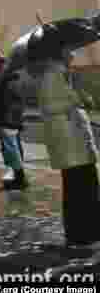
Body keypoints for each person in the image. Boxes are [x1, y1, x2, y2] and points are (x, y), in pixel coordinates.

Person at [32, 45, 100, 246]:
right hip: (70, 144)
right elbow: (49, 106)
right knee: (78, 189)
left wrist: (79, 96)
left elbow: (78, 101)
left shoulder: (63, 75)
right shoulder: (51, 76)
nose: (73, 54)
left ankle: (90, 229)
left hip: (77, 142)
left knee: (86, 186)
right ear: (60, 54)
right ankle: (81, 232)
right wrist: (74, 101)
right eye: (69, 51)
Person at [0, 52, 27, 191]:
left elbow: (5, 102)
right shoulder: (9, 79)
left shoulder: (8, 81)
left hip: (7, 120)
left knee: (12, 149)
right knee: (11, 149)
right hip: (8, 119)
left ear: (0, 68)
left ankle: (19, 179)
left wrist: (3, 120)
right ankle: (17, 177)